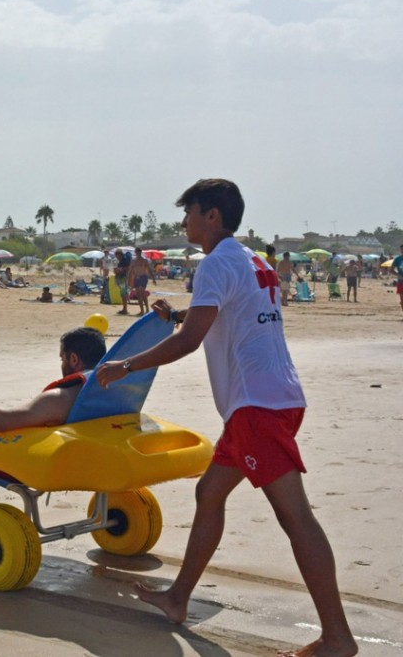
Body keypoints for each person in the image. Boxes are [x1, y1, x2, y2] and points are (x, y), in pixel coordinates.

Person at [96, 179, 356, 657]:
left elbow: (189, 343)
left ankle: (338, 639)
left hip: (258, 406)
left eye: (189, 212)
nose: (183, 222)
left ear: (212, 215)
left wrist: (125, 365)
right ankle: (178, 598)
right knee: (209, 491)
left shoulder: (216, 263)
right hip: (275, 398)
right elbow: (222, 317)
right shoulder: (250, 258)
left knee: (296, 517)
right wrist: (178, 314)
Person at [127, 247, 157, 315]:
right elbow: (130, 271)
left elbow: (149, 270)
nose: (138, 253)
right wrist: (128, 279)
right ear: (135, 252)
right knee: (138, 294)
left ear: (141, 252)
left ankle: (146, 309)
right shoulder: (133, 261)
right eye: (137, 252)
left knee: (142, 292)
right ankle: (142, 310)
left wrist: (153, 279)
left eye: (139, 251)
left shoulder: (144, 260)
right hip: (136, 278)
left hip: (143, 277)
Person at [114, 249, 132, 314]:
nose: (117, 257)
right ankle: (124, 309)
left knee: (123, 294)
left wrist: (120, 269)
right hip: (122, 279)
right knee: (123, 294)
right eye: (117, 256)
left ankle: (125, 310)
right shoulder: (121, 261)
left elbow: (128, 267)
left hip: (123, 279)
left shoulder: (124, 260)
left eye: (118, 256)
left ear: (121, 255)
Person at [392, 244, 403, 314]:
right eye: (401, 249)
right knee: (402, 300)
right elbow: (391, 269)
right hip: (401, 281)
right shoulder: (398, 259)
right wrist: (397, 274)